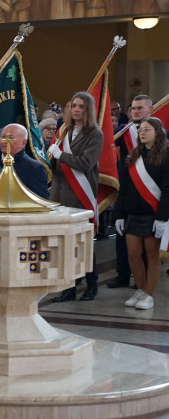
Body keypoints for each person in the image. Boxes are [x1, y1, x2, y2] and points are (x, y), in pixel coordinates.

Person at [49, 91, 103, 302]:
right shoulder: (64, 130)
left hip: (80, 194)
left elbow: (85, 163)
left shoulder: (95, 134)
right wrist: (52, 156)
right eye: (74, 106)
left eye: (81, 106)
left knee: (84, 243)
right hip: (60, 193)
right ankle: (69, 287)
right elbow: (55, 165)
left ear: (88, 109)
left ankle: (92, 284)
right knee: (64, 243)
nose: (77, 110)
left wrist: (60, 154)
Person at [115, 117, 168, 311]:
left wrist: (162, 218)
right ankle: (140, 289)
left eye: (147, 129)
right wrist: (119, 215)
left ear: (157, 132)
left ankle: (149, 295)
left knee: (152, 256)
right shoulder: (133, 155)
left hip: (154, 215)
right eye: (140, 130)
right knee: (133, 255)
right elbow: (124, 188)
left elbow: (167, 189)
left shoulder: (166, 155)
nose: (142, 133)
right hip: (133, 214)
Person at [109, 95, 154, 289]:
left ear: (150, 110)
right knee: (122, 236)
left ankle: (140, 279)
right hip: (126, 187)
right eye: (133, 108)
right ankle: (122, 275)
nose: (135, 111)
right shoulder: (123, 131)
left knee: (145, 239)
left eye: (140, 108)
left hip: (148, 189)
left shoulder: (160, 133)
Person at [0, 123, 48, 199]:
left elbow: (41, 202)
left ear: (23, 143)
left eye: (10, 137)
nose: (5, 141)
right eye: (3, 137)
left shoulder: (35, 168)